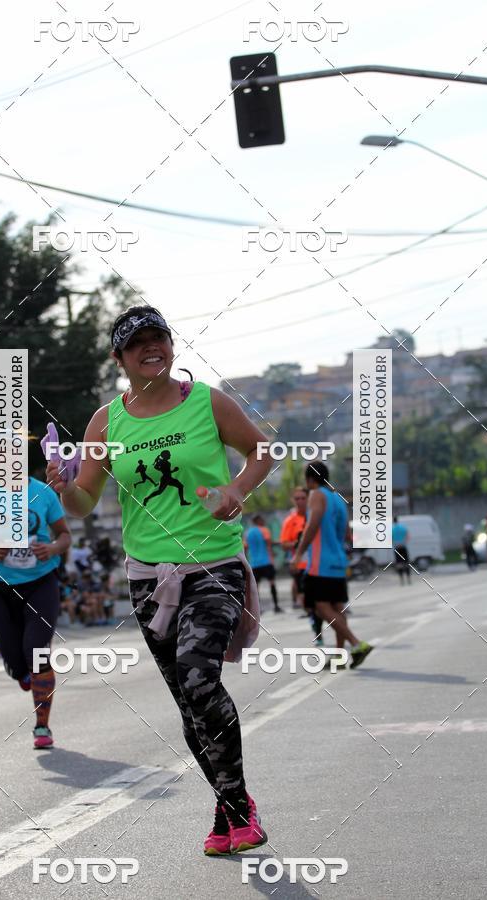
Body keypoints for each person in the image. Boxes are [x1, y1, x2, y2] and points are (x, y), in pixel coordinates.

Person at [48, 304, 272, 856]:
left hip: (213, 564)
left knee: (199, 679)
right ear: (118, 358)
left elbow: (262, 450)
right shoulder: (106, 423)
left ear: (171, 346)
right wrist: (63, 487)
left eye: (159, 338)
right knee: (188, 704)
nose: (152, 348)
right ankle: (228, 808)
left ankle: (239, 808)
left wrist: (236, 490)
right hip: (148, 578)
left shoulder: (206, 401)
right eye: (137, 343)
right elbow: (83, 502)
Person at [0, 455, 71, 749]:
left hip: (41, 583)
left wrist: (52, 548)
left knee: (37, 651)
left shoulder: (43, 492)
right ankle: (23, 673)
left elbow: (64, 535)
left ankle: (42, 726)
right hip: (0, 588)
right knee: (15, 663)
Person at [291, 462, 373, 669]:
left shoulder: (316, 495)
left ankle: (356, 644)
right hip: (338, 560)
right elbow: (346, 533)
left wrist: (299, 553)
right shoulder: (338, 499)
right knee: (337, 608)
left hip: (321, 563)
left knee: (320, 607)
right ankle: (339, 656)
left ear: (310, 479)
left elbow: (312, 525)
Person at [280, 487, 324, 644]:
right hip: (299, 566)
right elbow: (284, 544)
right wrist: (297, 544)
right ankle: (314, 621)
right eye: (297, 498)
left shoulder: (316, 516)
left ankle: (318, 631)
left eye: (303, 498)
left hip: (318, 564)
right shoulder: (290, 521)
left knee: (318, 601)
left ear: (308, 499)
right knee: (306, 601)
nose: (300, 501)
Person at [244, 515, 281, 613]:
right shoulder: (264, 530)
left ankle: (258, 609)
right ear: (258, 521)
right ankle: (276, 606)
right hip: (266, 561)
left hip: (254, 563)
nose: (264, 521)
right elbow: (269, 544)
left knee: (256, 587)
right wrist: (273, 554)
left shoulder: (248, 533)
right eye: (262, 520)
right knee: (272, 583)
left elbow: (245, 547)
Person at [391, 515, 411, 584]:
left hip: (397, 548)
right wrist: (404, 542)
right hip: (403, 547)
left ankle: (401, 580)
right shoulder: (403, 528)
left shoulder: (392, 529)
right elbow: (408, 536)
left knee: (399, 564)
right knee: (406, 563)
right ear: (398, 520)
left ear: (393, 521)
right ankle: (408, 579)